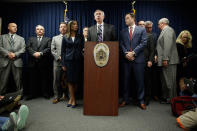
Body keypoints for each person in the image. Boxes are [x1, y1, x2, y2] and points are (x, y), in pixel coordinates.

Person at [119, 13, 147, 110]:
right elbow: (121, 44)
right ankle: (125, 99)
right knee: (125, 81)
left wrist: (133, 53)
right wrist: (126, 54)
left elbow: (143, 43)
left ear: (133, 19)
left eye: (127, 18)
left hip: (138, 60)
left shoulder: (142, 29)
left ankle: (141, 101)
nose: (125, 20)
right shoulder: (123, 31)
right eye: (125, 18)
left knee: (140, 81)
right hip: (126, 60)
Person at [61, 20, 84, 108]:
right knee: (70, 81)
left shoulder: (80, 36)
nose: (76, 26)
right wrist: (63, 64)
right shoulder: (65, 37)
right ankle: (73, 99)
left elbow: (83, 48)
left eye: (77, 24)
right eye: (74, 24)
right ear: (70, 26)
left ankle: (72, 98)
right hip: (69, 61)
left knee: (76, 81)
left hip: (78, 61)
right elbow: (63, 51)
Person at [156, 18, 179, 104]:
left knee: (170, 81)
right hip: (166, 60)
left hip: (169, 60)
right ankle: (167, 98)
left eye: (159, 24)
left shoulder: (168, 30)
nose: (158, 26)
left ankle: (172, 99)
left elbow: (167, 45)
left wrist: (165, 58)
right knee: (166, 81)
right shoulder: (165, 31)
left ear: (163, 23)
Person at [26, 25, 52, 100]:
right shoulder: (31, 38)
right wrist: (34, 53)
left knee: (44, 79)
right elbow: (28, 47)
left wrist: (40, 53)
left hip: (44, 63)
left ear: (43, 31)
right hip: (32, 62)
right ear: (35, 31)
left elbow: (49, 48)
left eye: (41, 29)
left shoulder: (48, 39)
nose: (39, 30)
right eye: (38, 29)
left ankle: (45, 93)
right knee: (32, 79)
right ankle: (31, 94)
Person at [0, 23, 25, 95]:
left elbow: (23, 49)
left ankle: (19, 96)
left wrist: (15, 54)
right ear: (8, 27)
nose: (15, 28)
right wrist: (8, 54)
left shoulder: (21, 38)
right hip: (4, 61)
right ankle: (1, 95)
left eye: (16, 27)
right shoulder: (2, 37)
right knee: (3, 80)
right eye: (13, 26)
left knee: (18, 81)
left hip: (17, 61)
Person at [138, 21, 155, 105]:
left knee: (147, 81)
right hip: (137, 62)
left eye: (143, 25)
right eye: (140, 25)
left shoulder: (149, 36)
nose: (141, 26)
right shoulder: (136, 35)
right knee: (138, 80)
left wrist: (150, 60)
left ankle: (147, 98)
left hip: (146, 62)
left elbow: (152, 50)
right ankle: (138, 97)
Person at [51, 22, 67, 104]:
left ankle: (67, 95)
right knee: (56, 80)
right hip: (57, 62)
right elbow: (53, 50)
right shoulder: (55, 38)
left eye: (64, 27)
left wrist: (66, 58)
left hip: (68, 62)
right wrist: (58, 57)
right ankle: (57, 96)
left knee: (67, 80)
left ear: (67, 28)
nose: (63, 28)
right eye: (61, 27)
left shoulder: (70, 37)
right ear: (59, 29)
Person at [145, 20, 161, 101]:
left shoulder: (155, 35)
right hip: (146, 59)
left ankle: (155, 94)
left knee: (154, 78)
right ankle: (146, 95)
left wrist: (156, 55)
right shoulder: (142, 34)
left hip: (154, 59)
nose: (149, 29)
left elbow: (157, 47)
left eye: (150, 27)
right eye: (147, 27)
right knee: (146, 78)